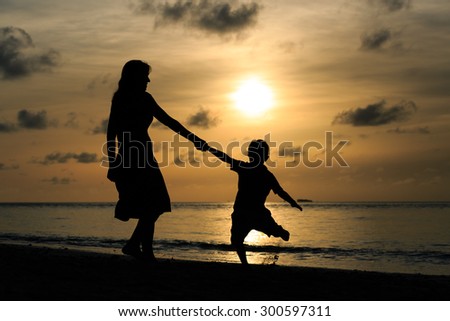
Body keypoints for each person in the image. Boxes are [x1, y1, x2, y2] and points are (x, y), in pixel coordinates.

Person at [106, 60, 206, 263]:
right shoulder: (124, 99)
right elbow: (111, 133)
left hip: (142, 157)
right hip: (133, 159)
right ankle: (139, 248)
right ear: (135, 77)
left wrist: (194, 139)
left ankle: (140, 248)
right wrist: (112, 162)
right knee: (154, 204)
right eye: (145, 76)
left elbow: (169, 121)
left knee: (151, 206)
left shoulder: (142, 98)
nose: (148, 80)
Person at [205, 139, 303, 265]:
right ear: (250, 155)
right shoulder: (244, 168)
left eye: (258, 154)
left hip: (258, 214)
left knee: (271, 231)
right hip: (242, 213)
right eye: (253, 154)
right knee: (236, 240)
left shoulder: (266, 175)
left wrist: (292, 202)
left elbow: (280, 191)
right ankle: (245, 265)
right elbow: (226, 158)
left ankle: (279, 231)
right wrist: (209, 149)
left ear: (265, 157)